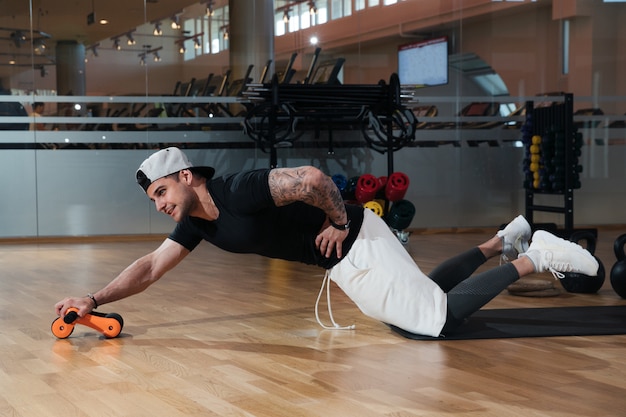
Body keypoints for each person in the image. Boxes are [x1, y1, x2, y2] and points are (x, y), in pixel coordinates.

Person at [54, 147, 599, 338]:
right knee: (421, 298)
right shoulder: (200, 222)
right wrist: (94, 301)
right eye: (152, 199)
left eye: (162, 192)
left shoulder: (236, 190)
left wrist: (339, 220)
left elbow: (313, 179)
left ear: (189, 177)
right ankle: (503, 240)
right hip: (349, 257)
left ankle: (536, 254)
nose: (160, 205)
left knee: (433, 322)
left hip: (356, 243)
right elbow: (151, 267)